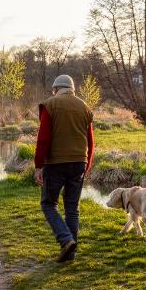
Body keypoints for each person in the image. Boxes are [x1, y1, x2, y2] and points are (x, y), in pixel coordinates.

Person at [34, 75, 95, 262]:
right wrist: (87, 164)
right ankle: (70, 254)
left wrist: (38, 166)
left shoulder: (50, 105)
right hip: (79, 162)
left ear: (55, 89)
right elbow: (91, 142)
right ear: (72, 90)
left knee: (48, 204)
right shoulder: (84, 107)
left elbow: (43, 138)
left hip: (56, 163)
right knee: (72, 208)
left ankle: (66, 239)